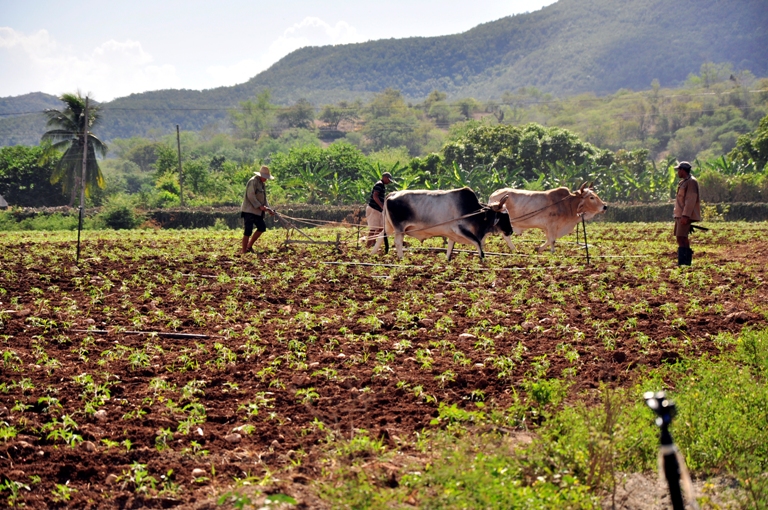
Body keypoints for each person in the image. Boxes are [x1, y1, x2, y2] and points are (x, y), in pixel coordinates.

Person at [240, 165, 274, 254]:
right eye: (265, 177)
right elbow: (251, 196)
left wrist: (269, 209)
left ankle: (249, 246)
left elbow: (264, 198)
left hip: (258, 212)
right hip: (249, 210)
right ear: (261, 175)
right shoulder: (253, 181)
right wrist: (259, 206)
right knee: (248, 231)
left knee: (262, 227)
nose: (266, 179)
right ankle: (244, 252)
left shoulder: (262, 184)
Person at [673, 161, 701, 266]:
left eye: (678, 170)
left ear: (683, 170)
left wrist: (686, 215)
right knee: (680, 237)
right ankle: (683, 262)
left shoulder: (691, 182)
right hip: (680, 215)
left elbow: (690, 200)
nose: (677, 172)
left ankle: (685, 263)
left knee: (682, 237)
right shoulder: (684, 182)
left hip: (684, 215)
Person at [366, 172, 395, 251]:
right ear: (384, 177)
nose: (389, 182)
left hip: (378, 209)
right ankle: (368, 245)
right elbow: (375, 196)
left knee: (381, 228)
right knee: (373, 228)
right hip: (374, 209)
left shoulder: (382, 186)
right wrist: (382, 206)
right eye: (388, 180)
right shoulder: (379, 184)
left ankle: (373, 243)